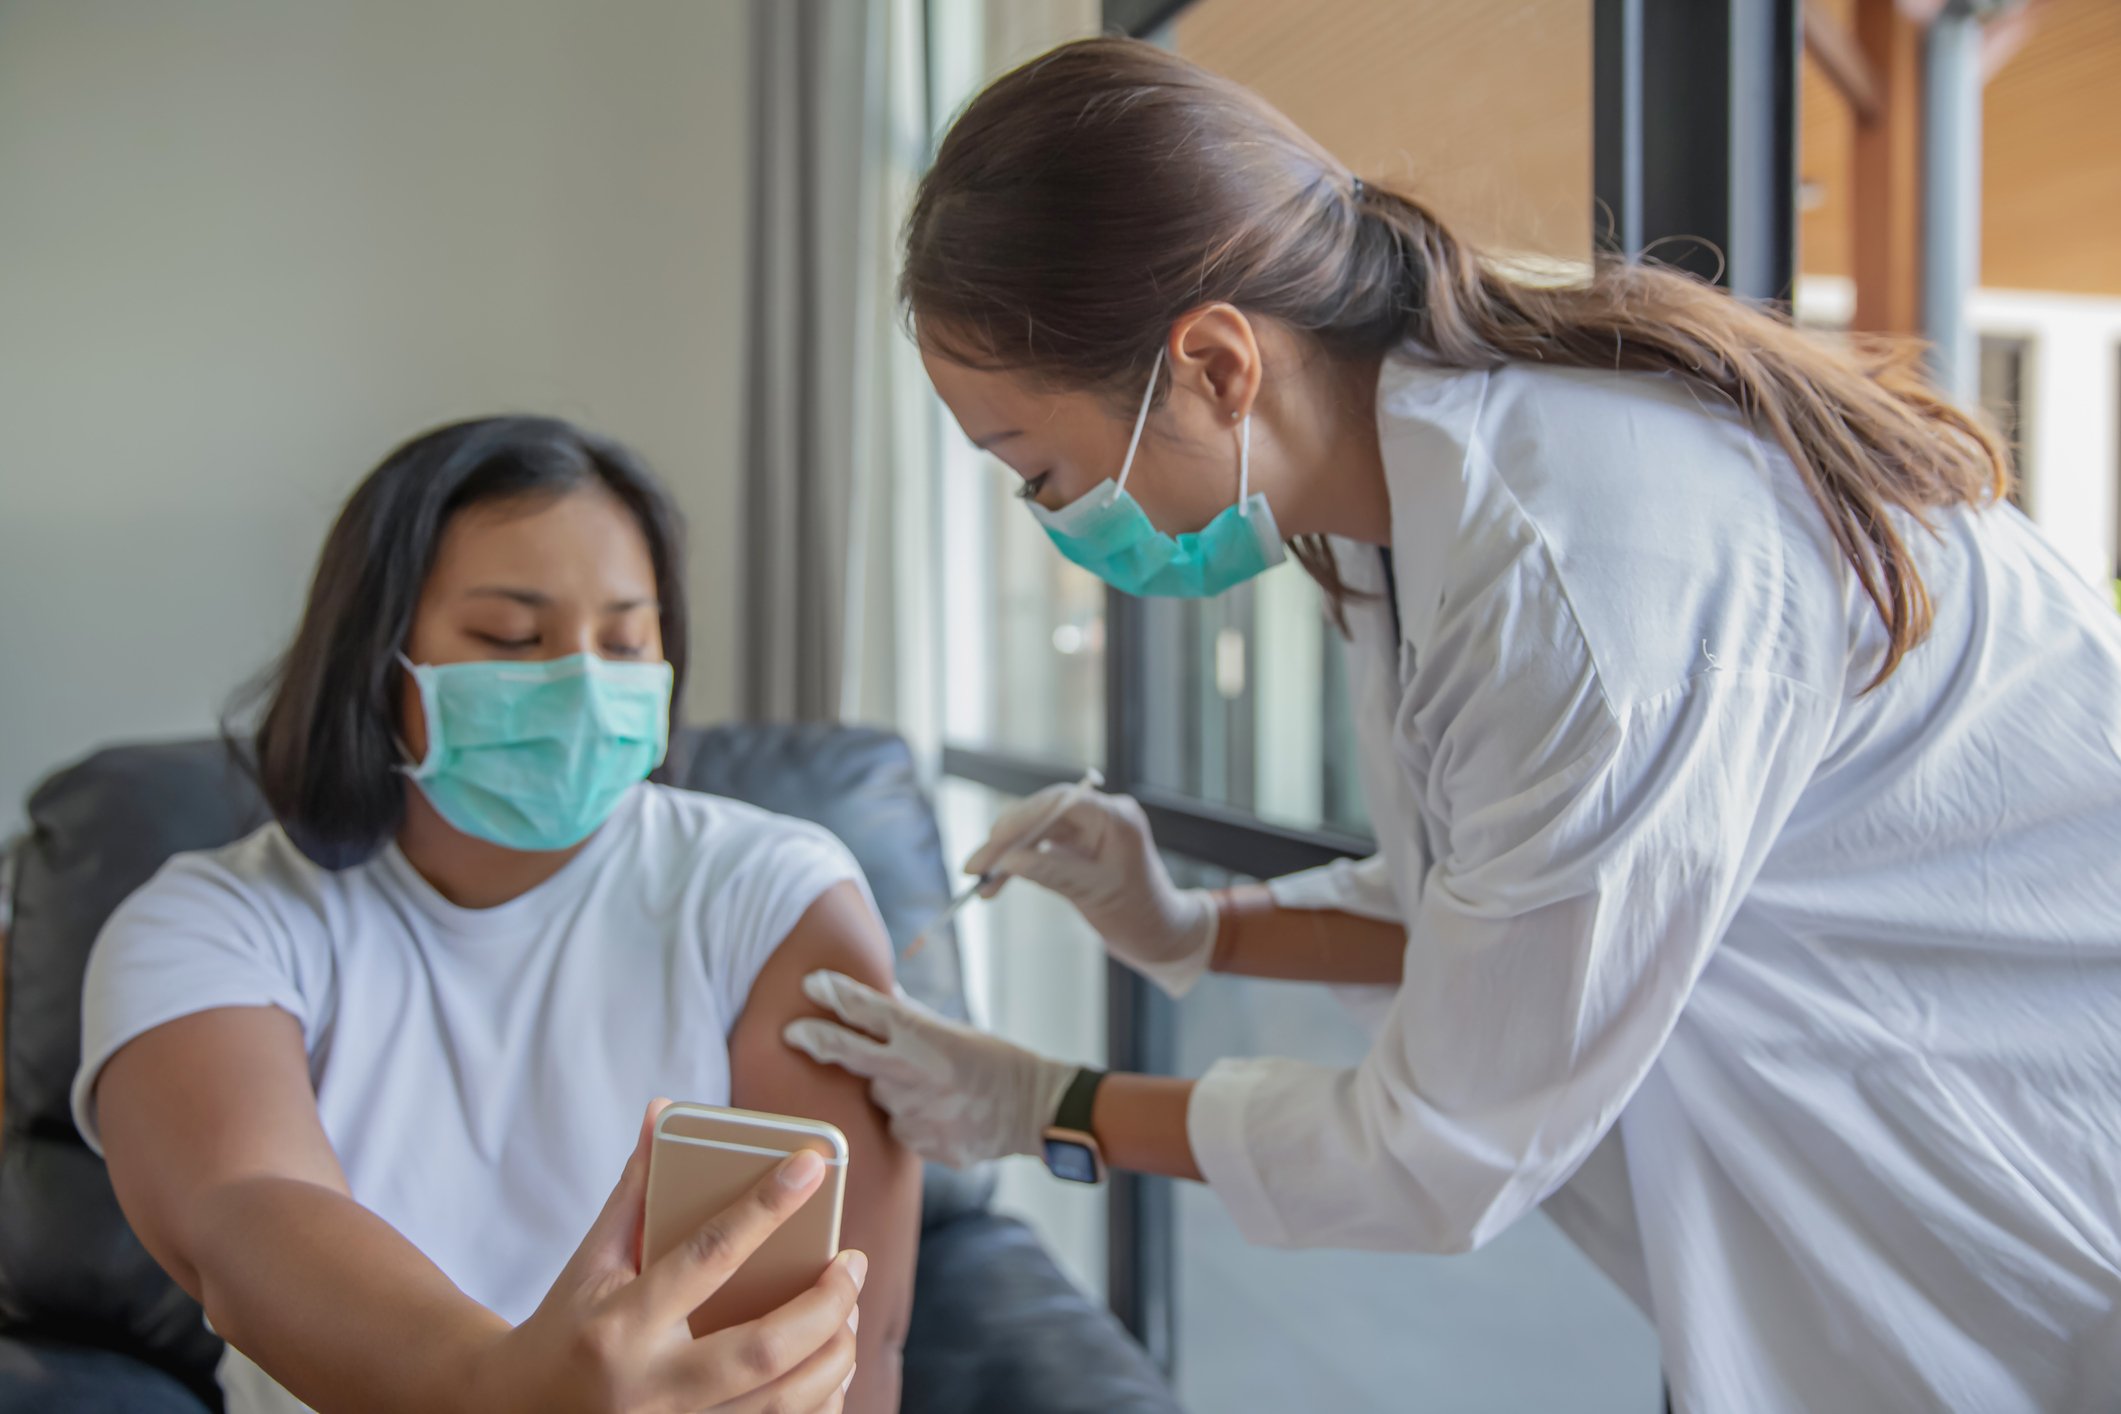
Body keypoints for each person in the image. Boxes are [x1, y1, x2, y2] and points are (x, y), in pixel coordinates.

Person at [785, 36, 2121, 1413]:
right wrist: (1189, 927)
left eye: (1039, 470)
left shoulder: (1580, 570)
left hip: (2051, 1210)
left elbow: (1436, 1150)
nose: (1062, 520)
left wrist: (1046, 1105)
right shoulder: (1403, 522)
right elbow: (1489, 904)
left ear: (1216, 365)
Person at [75, 417, 920, 1414]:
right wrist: (507, 1390)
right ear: (378, 658)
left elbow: (838, 1338)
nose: (580, 681)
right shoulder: (208, 923)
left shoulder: (775, 892)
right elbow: (244, 1211)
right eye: (510, 638)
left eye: (623, 639)